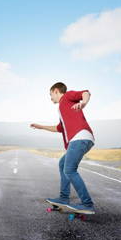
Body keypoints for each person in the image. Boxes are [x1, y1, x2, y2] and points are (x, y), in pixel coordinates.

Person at [30, 82, 95, 214]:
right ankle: (64, 198)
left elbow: (85, 92)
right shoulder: (63, 108)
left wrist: (84, 103)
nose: (50, 98)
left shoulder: (67, 96)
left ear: (56, 91)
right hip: (82, 139)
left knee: (70, 170)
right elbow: (59, 128)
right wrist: (41, 126)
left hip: (79, 137)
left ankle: (87, 204)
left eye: (50, 95)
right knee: (63, 164)